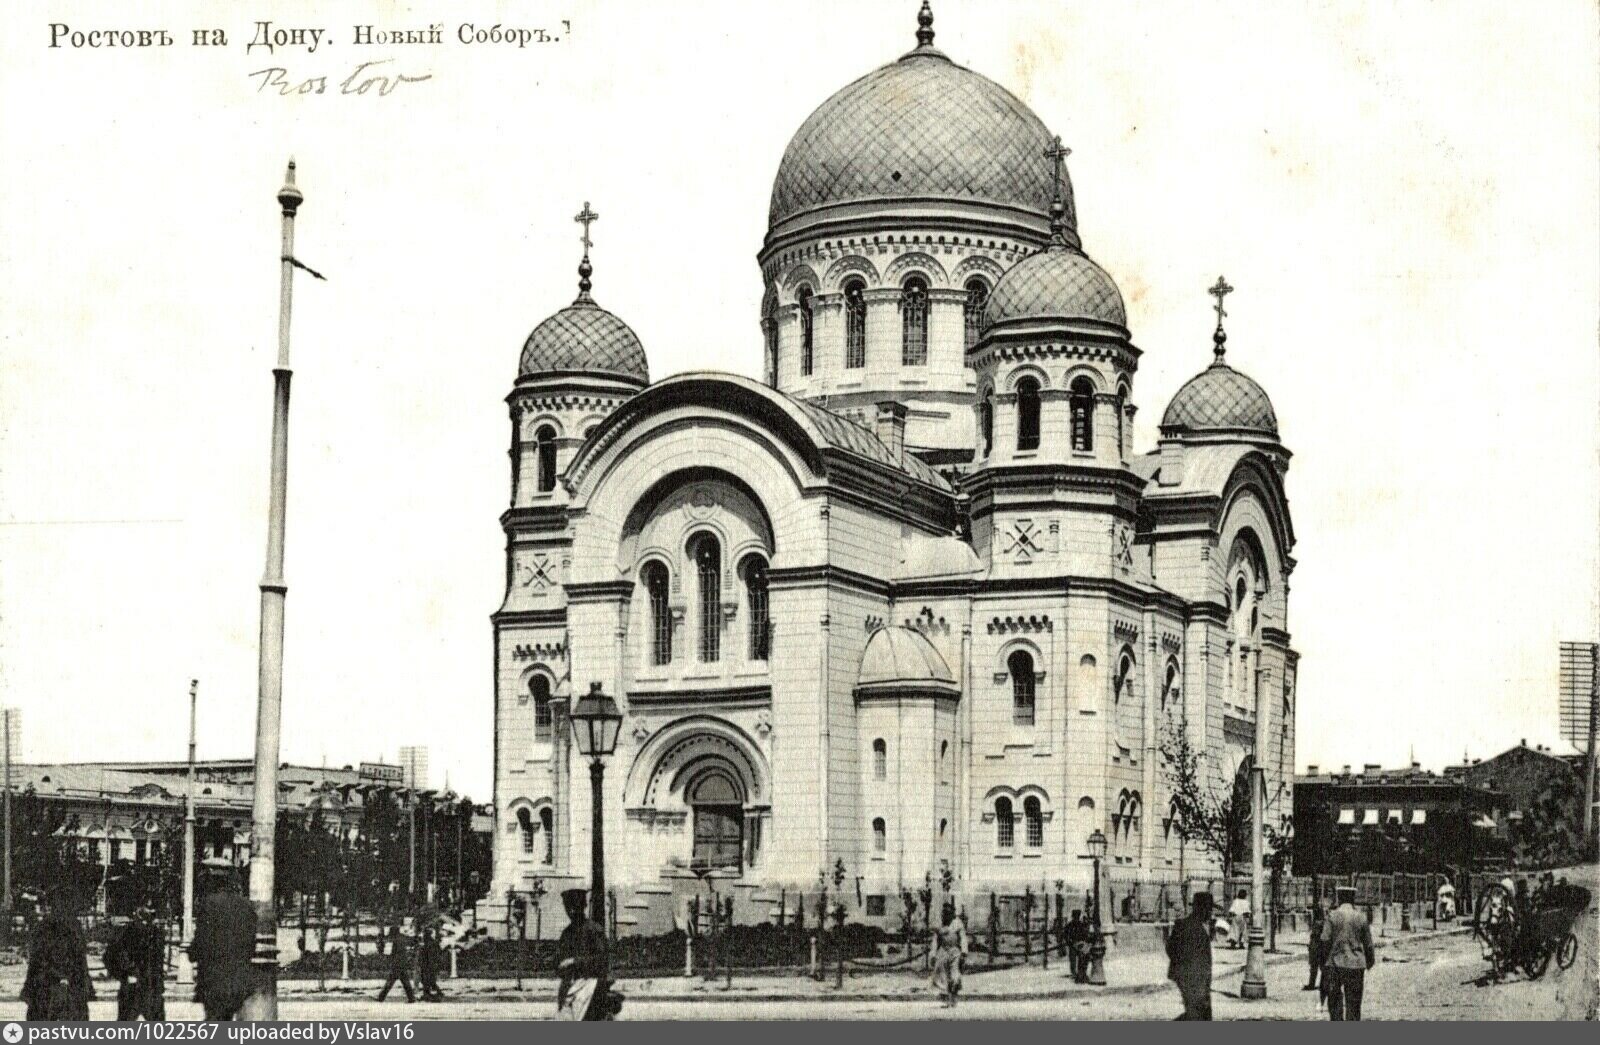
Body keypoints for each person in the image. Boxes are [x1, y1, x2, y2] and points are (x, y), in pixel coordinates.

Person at [190, 877, 257, 1021]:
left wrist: (192, 953)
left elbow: (201, 939)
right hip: (237, 979)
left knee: (214, 1019)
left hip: (213, 978)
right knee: (226, 1018)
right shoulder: (245, 905)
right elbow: (252, 944)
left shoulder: (209, 904)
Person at [22, 891, 92, 1021]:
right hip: (71, 985)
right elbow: (79, 959)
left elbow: (36, 960)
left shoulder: (42, 927)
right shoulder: (74, 927)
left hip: (45, 985)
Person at [556, 888, 612, 1021]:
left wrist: (575, 961)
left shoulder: (594, 930)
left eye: (575, 907)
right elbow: (559, 959)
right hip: (569, 986)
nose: (571, 911)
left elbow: (602, 961)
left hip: (590, 986)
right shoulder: (567, 933)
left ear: (583, 907)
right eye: (568, 907)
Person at [1321, 886, 1375, 1020]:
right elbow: (1368, 944)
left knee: (1334, 1004)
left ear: (1339, 898)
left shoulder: (1332, 916)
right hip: (1356, 966)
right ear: (1353, 899)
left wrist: (1324, 964)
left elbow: (1325, 940)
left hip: (1335, 965)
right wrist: (1369, 961)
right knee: (1354, 1005)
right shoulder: (1361, 917)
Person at [105, 906, 166, 1021]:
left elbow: (158, 961)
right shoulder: (126, 933)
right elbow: (110, 957)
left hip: (152, 989)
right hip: (132, 990)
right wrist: (124, 974)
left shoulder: (156, 934)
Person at [1166, 892, 1214, 1020]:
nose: (1210, 913)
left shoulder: (1182, 925)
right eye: (1209, 909)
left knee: (1196, 1014)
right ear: (1202, 909)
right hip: (1194, 981)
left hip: (1186, 978)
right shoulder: (1196, 929)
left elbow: (1170, 948)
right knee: (1197, 1015)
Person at [930, 908, 965, 1008]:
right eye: (943, 914)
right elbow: (935, 941)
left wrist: (964, 952)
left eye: (947, 914)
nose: (945, 916)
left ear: (952, 915)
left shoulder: (957, 924)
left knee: (954, 976)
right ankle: (946, 1000)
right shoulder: (939, 925)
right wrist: (933, 954)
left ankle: (954, 998)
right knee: (942, 976)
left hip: (954, 952)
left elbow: (963, 938)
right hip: (943, 951)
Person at [376, 924, 416, 1003]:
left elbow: (388, 952)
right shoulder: (403, 938)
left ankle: (381, 997)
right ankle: (411, 998)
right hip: (403, 962)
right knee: (405, 981)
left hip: (395, 963)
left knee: (391, 981)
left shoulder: (392, 940)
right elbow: (412, 942)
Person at [1304, 894, 1326, 992]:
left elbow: (1315, 935)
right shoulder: (1324, 922)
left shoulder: (1318, 923)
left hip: (1317, 947)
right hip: (1320, 947)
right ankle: (1322, 984)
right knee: (1321, 967)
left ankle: (1312, 984)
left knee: (1314, 967)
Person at [418, 926, 444, 1002]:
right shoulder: (432, 943)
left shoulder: (428, 944)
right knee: (429, 980)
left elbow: (428, 956)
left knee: (426, 980)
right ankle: (433, 993)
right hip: (430, 965)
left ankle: (429, 994)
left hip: (428, 965)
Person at [1063, 910, 1090, 983]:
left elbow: (1085, 934)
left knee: (1081, 958)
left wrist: (1083, 942)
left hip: (1079, 944)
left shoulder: (1080, 924)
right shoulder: (1070, 925)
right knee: (1073, 959)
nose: (1076, 918)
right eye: (1075, 916)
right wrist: (1070, 942)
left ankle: (1080, 973)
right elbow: (1065, 935)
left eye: (1077, 916)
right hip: (1073, 944)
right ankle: (1075, 973)